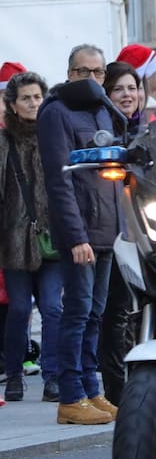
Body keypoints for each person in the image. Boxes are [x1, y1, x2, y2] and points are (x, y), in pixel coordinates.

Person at [38, 43, 122, 425]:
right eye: (83, 72)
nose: (91, 79)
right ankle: (70, 397)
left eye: (98, 72)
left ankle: (91, 389)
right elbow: (60, 181)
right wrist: (76, 237)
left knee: (95, 314)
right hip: (82, 233)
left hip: (107, 229)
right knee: (77, 312)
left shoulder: (104, 111)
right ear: (69, 73)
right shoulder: (56, 112)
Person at [1, 71, 62, 403]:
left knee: (53, 308)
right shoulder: (3, 141)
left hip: (52, 240)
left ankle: (52, 376)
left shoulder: (54, 136)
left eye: (38, 96)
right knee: (21, 309)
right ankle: (14, 374)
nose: (33, 103)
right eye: (26, 98)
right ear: (12, 104)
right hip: (14, 243)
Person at [95, 62, 142, 405]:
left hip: (154, 232)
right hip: (114, 235)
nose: (127, 95)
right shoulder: (103, 130)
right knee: (115, 314)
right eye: (119, 89)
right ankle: (116, 391)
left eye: (132, 88)